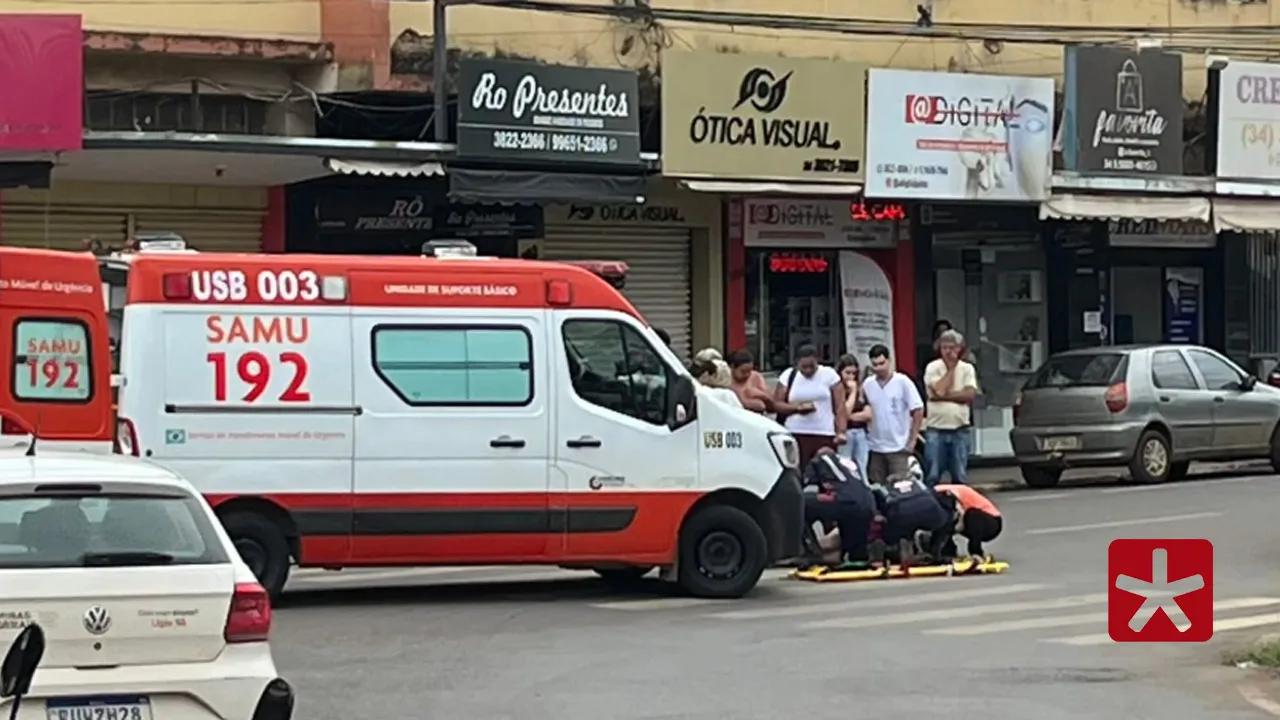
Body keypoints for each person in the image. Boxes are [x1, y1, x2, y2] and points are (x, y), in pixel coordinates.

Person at [773, 345, 847, 469]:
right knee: (798, 472)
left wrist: (841, 432)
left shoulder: (829, 375)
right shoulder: (788, 375)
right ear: (797, 364)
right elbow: (777, 404)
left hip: (824, 433)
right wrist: (797, 408)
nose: (808, 370)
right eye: (803, 367)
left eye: (811, 366)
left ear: (817, 360)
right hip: (796, 432)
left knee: (826, 472)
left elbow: (840, 406)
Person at [922, 329, 979, 486]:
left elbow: (968, 395)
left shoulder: (967, 369)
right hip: (936, 429)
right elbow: (939, 389)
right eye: (945, 347)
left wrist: (942, 397)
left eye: (953, 348)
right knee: (932, 475)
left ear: (960, 349)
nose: (949, 352)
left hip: (960, 428)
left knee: (960, 475)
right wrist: (951, 370)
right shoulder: (932, 367)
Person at [861, 344, 924, 486]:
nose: (879, 368)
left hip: (899, 446)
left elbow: (918, 409)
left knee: (901, 487)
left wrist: (912, 440)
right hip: (875, 447)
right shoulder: (867, 384)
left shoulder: (903, 382)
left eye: (882, 363)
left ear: (889, 361)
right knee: (878, 487)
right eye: (875, 365)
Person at [801, 447, 875, 565]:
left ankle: (810, 552)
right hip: (867, 504)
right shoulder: (850, 463)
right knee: (856, 551)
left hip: (844, 500)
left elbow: (809, 488)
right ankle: (857, 555)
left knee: (800, 504)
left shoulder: (818, 460)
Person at [868, 466, 951, 566]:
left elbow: (879, 511)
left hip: (902, 514)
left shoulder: (884, 489)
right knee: (943, 520)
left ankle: (902, 545)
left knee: (892, 526)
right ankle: (935, 549)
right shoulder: (918, 484)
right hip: (930, 509)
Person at [928, 483, 1003, 559]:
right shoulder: (932, 494)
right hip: (972, 518)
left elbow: (952, 516)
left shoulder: (945, 493)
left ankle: (976, 551)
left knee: (970, 515)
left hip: (992, 522)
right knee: (945, 523)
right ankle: (948, 551)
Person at [836, 354, 872, 475]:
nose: (851, 377)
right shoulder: (838, 390)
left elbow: (868, 414)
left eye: (854, 373)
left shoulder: (861, 390)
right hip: (846, 432)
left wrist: (848, 417)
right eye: (847, 373)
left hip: (861, 432)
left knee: (862, 467)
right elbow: (845, 411)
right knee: (846, 467)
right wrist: (853, 392)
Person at [728, 349, 772, 414]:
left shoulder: (756, 377)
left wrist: (762, 395)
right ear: (732, 367)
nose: (747, 375)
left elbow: (772, 404)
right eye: (743, 372)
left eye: (749, 371)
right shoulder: (725, 380)